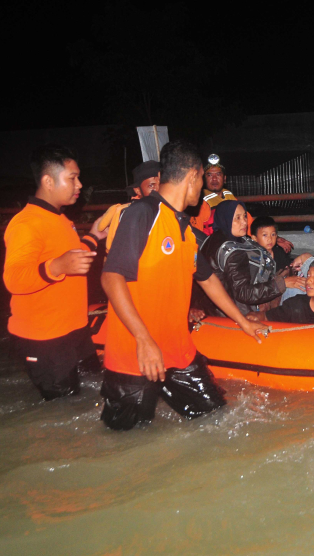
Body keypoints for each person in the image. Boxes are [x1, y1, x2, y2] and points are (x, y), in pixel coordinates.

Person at [100, 140, 268, 431]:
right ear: (193, 175)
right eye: (203, 178)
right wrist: (143, 339)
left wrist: (243, 322)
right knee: (125, 439)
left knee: (216, 415)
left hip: (178, 353)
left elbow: (208, 279)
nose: (203, 186)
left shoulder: (186, 229)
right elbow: (110, 276)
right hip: (136, 354)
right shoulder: (142, 214)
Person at [3, 144, 108, 400]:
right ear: (48, 181)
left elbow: (71, 256)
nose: (80, 184)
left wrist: (94, 237)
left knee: (94, 394)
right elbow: (14, 278)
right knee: (64, 409)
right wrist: (56, 267)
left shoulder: (60, 219)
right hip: (44, 339)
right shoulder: (27, 223)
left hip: (75, 330)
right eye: (72, 178)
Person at [197, 202, 304, 316]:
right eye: (237, 218)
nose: (244, 222)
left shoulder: (212, 239)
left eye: (244, 216)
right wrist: (283, 283)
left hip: (209, 307)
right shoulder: (233, 252)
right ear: (226, 219)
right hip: (235, 314)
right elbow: (244, 293)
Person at [96, 160, 161, 251]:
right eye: (151, 186)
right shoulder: (129, 213)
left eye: (161, 184)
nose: (158, 189)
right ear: (138, 190)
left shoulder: (171, 210)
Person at [189, 153, 238, 235]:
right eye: (209, 175)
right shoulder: (199, 203)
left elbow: (248, 224)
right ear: (204, 178)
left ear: (224, 178)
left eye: (218, 174)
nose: (214, 179)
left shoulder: (231, 198)